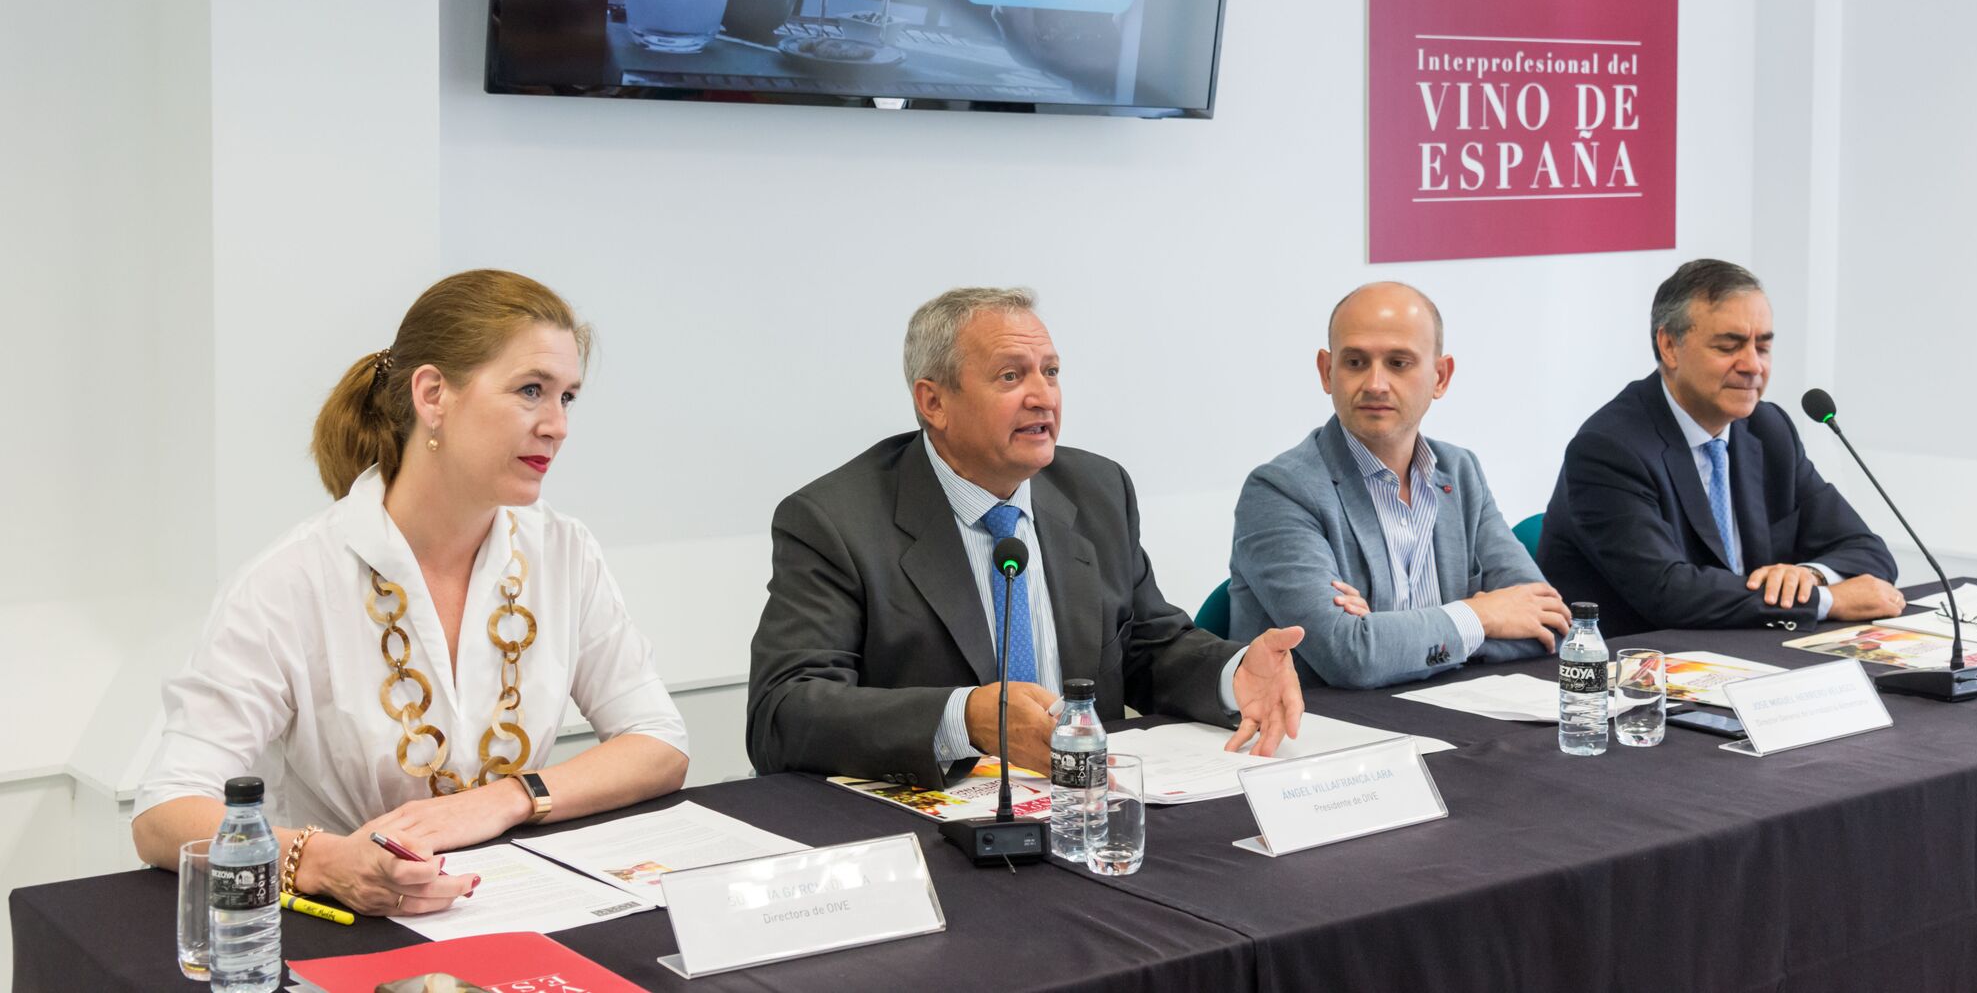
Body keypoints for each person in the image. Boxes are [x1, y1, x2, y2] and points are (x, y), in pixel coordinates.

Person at [131, 271, 690, 916]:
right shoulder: (291, 580)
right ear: (433, 395)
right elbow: (163, 813)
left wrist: (503, 800)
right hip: (351, 926)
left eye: (568, 397)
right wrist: (323, 862)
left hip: (515, 905)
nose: (557, 425)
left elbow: (657, 742)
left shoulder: (563, 551)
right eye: (531, 390)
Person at [746, 287, 1305, 789]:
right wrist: (964, 720)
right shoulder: (834, 521)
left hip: (1083, 801)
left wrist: (1232, 675)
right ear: (933, 402)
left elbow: (1146, 648)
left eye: (1052, 372)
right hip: (934, 822)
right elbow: (783, 713)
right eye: (1011, 376)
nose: (1044, 397)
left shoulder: (1097, 489)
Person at [1538, 258, 1903, 637]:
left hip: (1751, 655)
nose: (1752, 365)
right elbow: (1670, 592)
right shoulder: (1609, 449)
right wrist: (1826, 601)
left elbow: (1868, 553)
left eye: (1762, 347)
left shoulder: (1768, 429)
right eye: (1729, 346)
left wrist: (1809, 577)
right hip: (1638, 672)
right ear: (1669, 346)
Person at [1229, 283, 1568, 689]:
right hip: (1331, 735)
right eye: (1355, 362)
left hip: (1455, 720)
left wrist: (1389, 635)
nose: (1375, 383)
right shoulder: (1280, 490)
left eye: (1399, 363)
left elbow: (1549, 626)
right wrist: (1482, 615)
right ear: (1326, 371)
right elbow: (1351, 657)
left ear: (1440, 377)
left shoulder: (1461, 473)